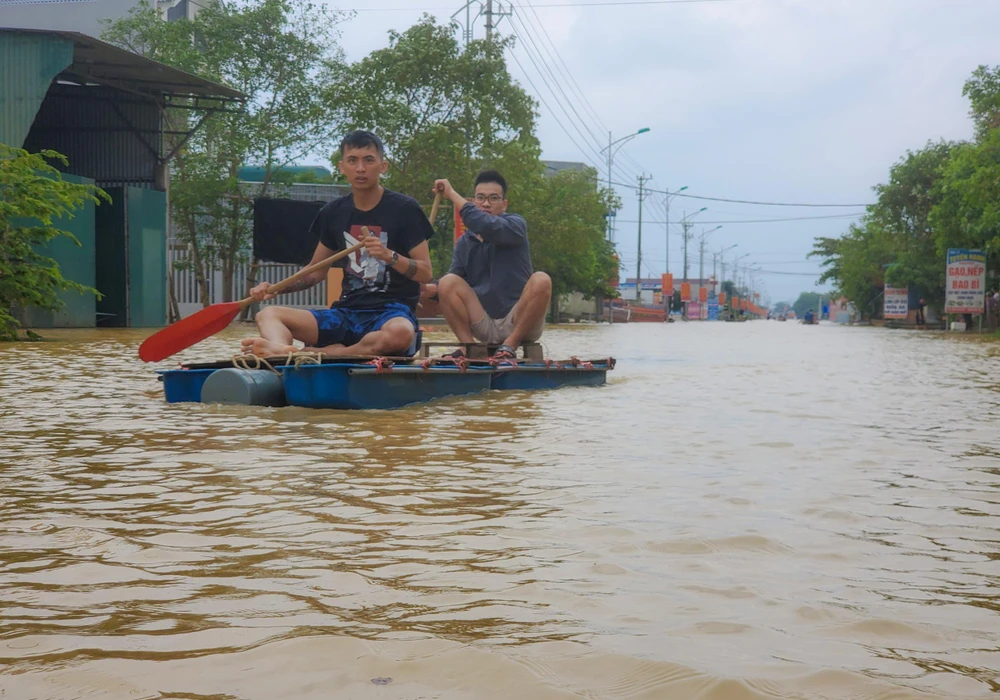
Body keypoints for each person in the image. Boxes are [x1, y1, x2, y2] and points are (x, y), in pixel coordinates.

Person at [241, 130, 434, 358]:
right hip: (345, 313)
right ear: (342, 167)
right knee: (268, 314)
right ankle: (284, 351)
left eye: (368, 160)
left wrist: (388, 255)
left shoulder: (405, 209)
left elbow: (425, 273)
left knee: (401, 333)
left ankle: (329, 354)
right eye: (353, 161)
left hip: (390, 314)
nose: (360, 168)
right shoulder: (333, 212)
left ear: (383, 166)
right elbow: (314, 272)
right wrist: (275, 288)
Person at [433, 171, 551, 360]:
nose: (486, 204)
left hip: (518, 321)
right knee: (447, 282)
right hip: (484, 321)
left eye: (493, 198)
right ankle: (468, 347)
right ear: (473, 201)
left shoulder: (515, 225)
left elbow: (486, 225)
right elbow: (454, 283)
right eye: (480, 198)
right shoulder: (465, 242)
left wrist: (452, 194)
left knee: (542, 280)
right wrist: (426, 288)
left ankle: (510, 345)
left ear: (504, 204)